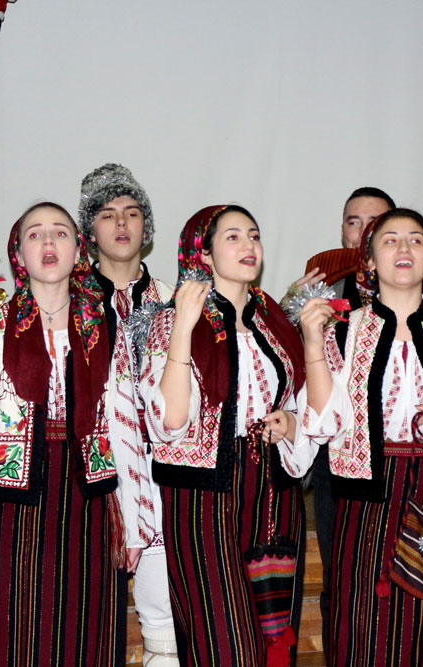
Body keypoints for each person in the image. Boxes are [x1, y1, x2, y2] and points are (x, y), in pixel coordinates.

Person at [298, 208, 423, 666]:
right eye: (390, 240)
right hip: (367, 501)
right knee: (366, 626)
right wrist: (313, 344)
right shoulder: (343, 330)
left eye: (415, 239)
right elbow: (323, 421)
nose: (404, 247)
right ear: (369, 260)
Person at [0, 202, 151, 665]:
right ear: (19, 254)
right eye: (34, 234)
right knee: (12, 630)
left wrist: (135, 522)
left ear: (78, 250)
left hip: (90, 496)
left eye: (60, 232)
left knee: (87, 630)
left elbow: (123, 421)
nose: (48, 242)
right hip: (11, 501)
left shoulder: (104, 323)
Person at [139, 205, 310, 666]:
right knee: (226, 643)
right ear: (205, 253)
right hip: (202, 495)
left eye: (253, 235)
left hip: (271, 490)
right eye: (232, 237)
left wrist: (291, 423)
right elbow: (169, 420)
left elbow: (302, 401)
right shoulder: (171, 319)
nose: (248, 245)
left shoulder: (274, 321)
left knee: (272, 633)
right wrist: (183, 325)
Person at [287, 185, 394, 652]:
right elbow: (289, 365)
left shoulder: (416, 286)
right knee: (342, 572)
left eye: (376, 223)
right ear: (343, 231)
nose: (364, 231)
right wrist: (293, 307)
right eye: (355, 222)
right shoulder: (321, 287)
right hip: (338, 458)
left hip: (401, 458)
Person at [78, 163, 178, 665]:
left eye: (132, 212)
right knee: (87, 613)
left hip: (161, 473)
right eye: (107, 214)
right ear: (89, 231)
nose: (121, 222)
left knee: (164, 614)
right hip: (91, 474)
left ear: (146, 227)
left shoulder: (176, 301)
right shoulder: (68, 302)